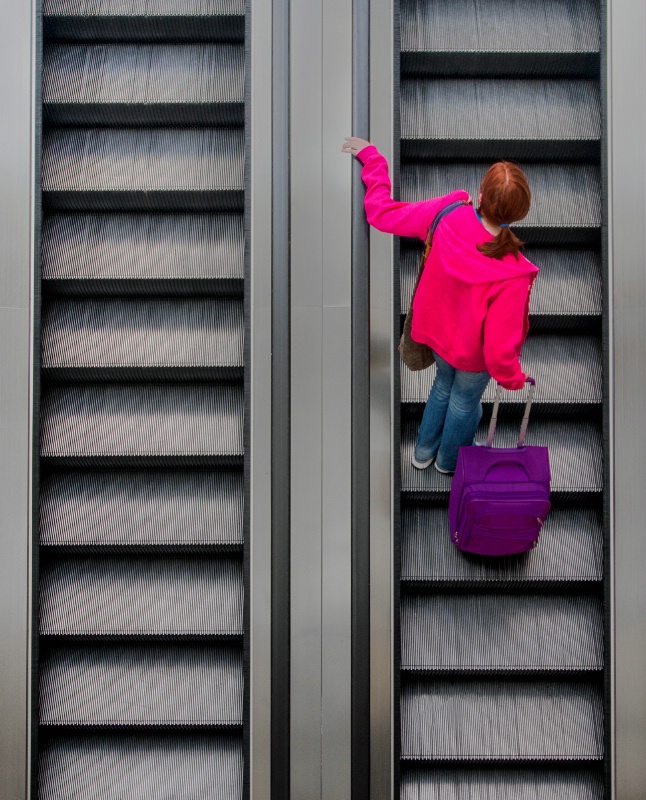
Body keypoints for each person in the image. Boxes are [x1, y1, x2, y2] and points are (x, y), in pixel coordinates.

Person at [342, 136, 538, 474]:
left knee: (442, 387)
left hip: (436, 337)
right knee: (464, 403)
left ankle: (422, 453)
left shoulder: (447, 212)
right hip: (473, 356)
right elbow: (498, 347)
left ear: (480, 194)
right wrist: (514, 379)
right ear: (519, 214)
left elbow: (382, 214)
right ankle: (448, 462)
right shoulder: (514, 272)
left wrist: (373, 160)